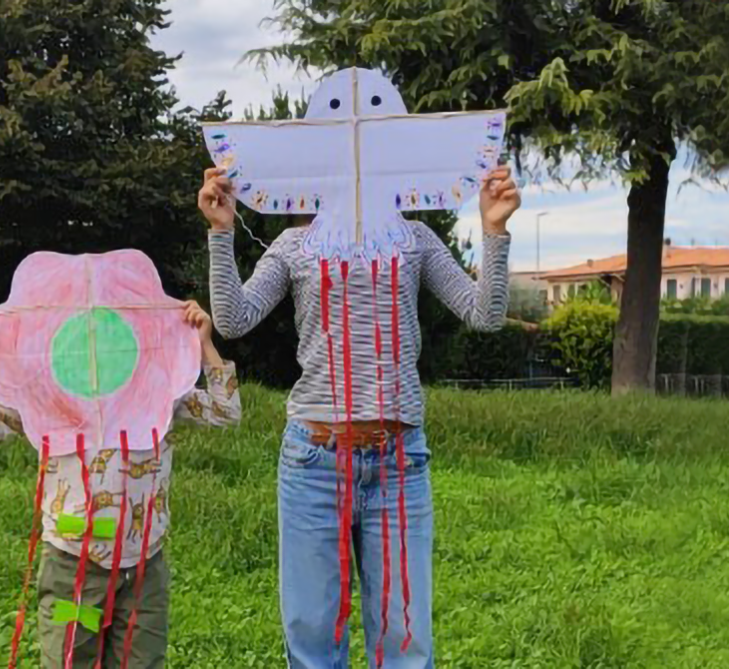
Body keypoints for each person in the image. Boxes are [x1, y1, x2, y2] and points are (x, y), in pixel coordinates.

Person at [199, 166, 519, 668]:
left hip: (399, 466)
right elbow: (234, 319)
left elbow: (486, 314)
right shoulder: (293, 245)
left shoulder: (414, 239)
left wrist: (494, 230)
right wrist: (221, 231)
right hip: (313, 464)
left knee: (406, 645)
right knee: (312, 643)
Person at [0, 300, 241, 669]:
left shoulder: (157, 387)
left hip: (143, 573)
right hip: (74, 568)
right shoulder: (48, 392)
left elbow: (225, 411)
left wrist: (202, 343)